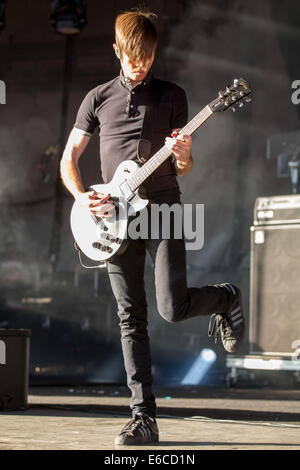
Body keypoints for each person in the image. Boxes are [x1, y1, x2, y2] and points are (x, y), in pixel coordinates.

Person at [60, 7, 245, 446]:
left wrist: (182, 153)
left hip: (161, 209)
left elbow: (184, 168)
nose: (139, 64)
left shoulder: (172, 95)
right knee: (130, 319)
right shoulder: (97, 98)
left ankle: (225, 298)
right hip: (111, 219)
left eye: (147, 55)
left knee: (171, 308)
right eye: (131, 56)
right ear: (117, 51)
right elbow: (69, 159)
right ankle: (143, 418)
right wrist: (82, 196)